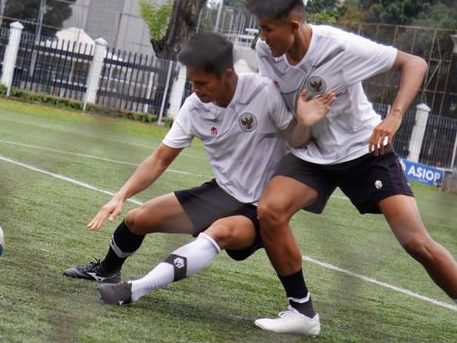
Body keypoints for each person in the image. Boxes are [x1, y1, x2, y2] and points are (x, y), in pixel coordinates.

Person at [246, 0, 457, 336]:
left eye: (268, 29)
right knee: (270, 210)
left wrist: (394, 116)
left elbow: (414, 63)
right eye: (261, 29)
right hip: (313, 152)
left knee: (416, 242)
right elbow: (277, 106)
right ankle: (302, 312)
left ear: (294, 25)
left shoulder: (340, 47)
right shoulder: (267, 52)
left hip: (364, 151)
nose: (263, 37)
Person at [63, 33, 335, 311]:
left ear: (227, 75)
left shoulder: (263, 92)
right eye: (192, 81)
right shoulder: (194, 107)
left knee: (218, 233)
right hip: (220, 193)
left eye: (202, 82)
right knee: (136, 219)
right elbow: (159, 159)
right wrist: (121, 195)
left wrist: (305, 123)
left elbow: (296, 141)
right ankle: (108, 269)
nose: (194, 89)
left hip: (259, 206)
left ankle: (134, 290)